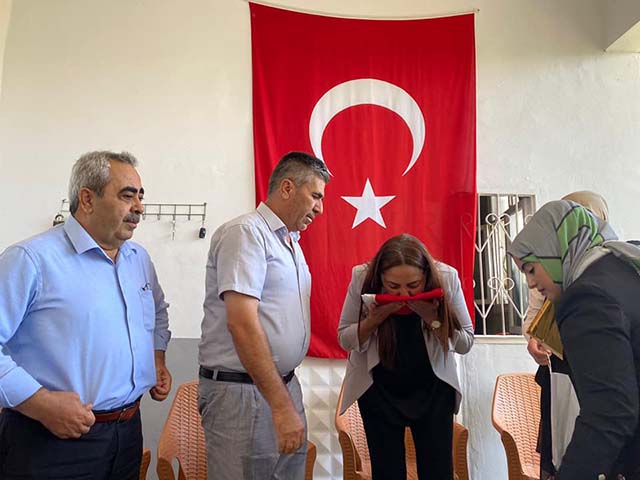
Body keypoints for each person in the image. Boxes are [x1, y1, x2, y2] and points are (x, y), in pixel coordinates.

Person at [0, 151, 172, 479]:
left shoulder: (138, 259)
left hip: (127, 435)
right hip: (49, 441)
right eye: (127, 196)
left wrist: (157, 357)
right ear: (87, 199)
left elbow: (158, 313)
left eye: (141, 196)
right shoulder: (30, 260)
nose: (139, 207)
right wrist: (41, 403)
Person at [198, 151, 329, 480]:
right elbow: (241, 323)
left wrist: (285, 399)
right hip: (243, 393)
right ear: (287, 188)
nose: (320, 208)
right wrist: (281, 406)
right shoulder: (246, 233)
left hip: (281, 386)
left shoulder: (290, 242)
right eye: (315, 196)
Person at [509, 200, 640, 480]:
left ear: (554, 249)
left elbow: (610, 411)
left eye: (531, 269)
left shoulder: (586, 297)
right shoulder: (622, 267)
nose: (530, 283)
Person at [338, 234, 474, 479]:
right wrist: (374, 320)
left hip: (434, 389)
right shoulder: (362, 277)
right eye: (393, 286)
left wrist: (432, 319)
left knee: (438, 471)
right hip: (379, 389)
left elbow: (465, 342)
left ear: (426, 276)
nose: (403, 294)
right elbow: (345, 339)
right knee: (386, 471)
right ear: (380, 277)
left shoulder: (446, 277)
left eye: (413, 285)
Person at [522, 191, 609, 480]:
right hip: (560, 369)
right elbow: (533, 318)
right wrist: (533, 342)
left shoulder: (614, 263)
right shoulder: (549, 266)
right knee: (563, 451)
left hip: (604, 372)